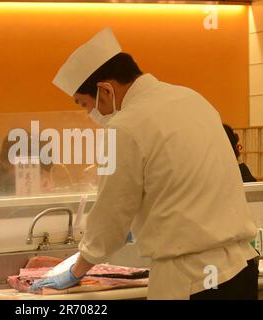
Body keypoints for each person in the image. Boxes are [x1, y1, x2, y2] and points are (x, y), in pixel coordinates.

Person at [30, 28, 258, 299]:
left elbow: (109, 216)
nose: (90, 114)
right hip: (242, 267)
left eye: (85, 104)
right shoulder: (193, 99)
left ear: (105, 90)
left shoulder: (124, 127)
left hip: (193, 279)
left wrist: (76, 270)